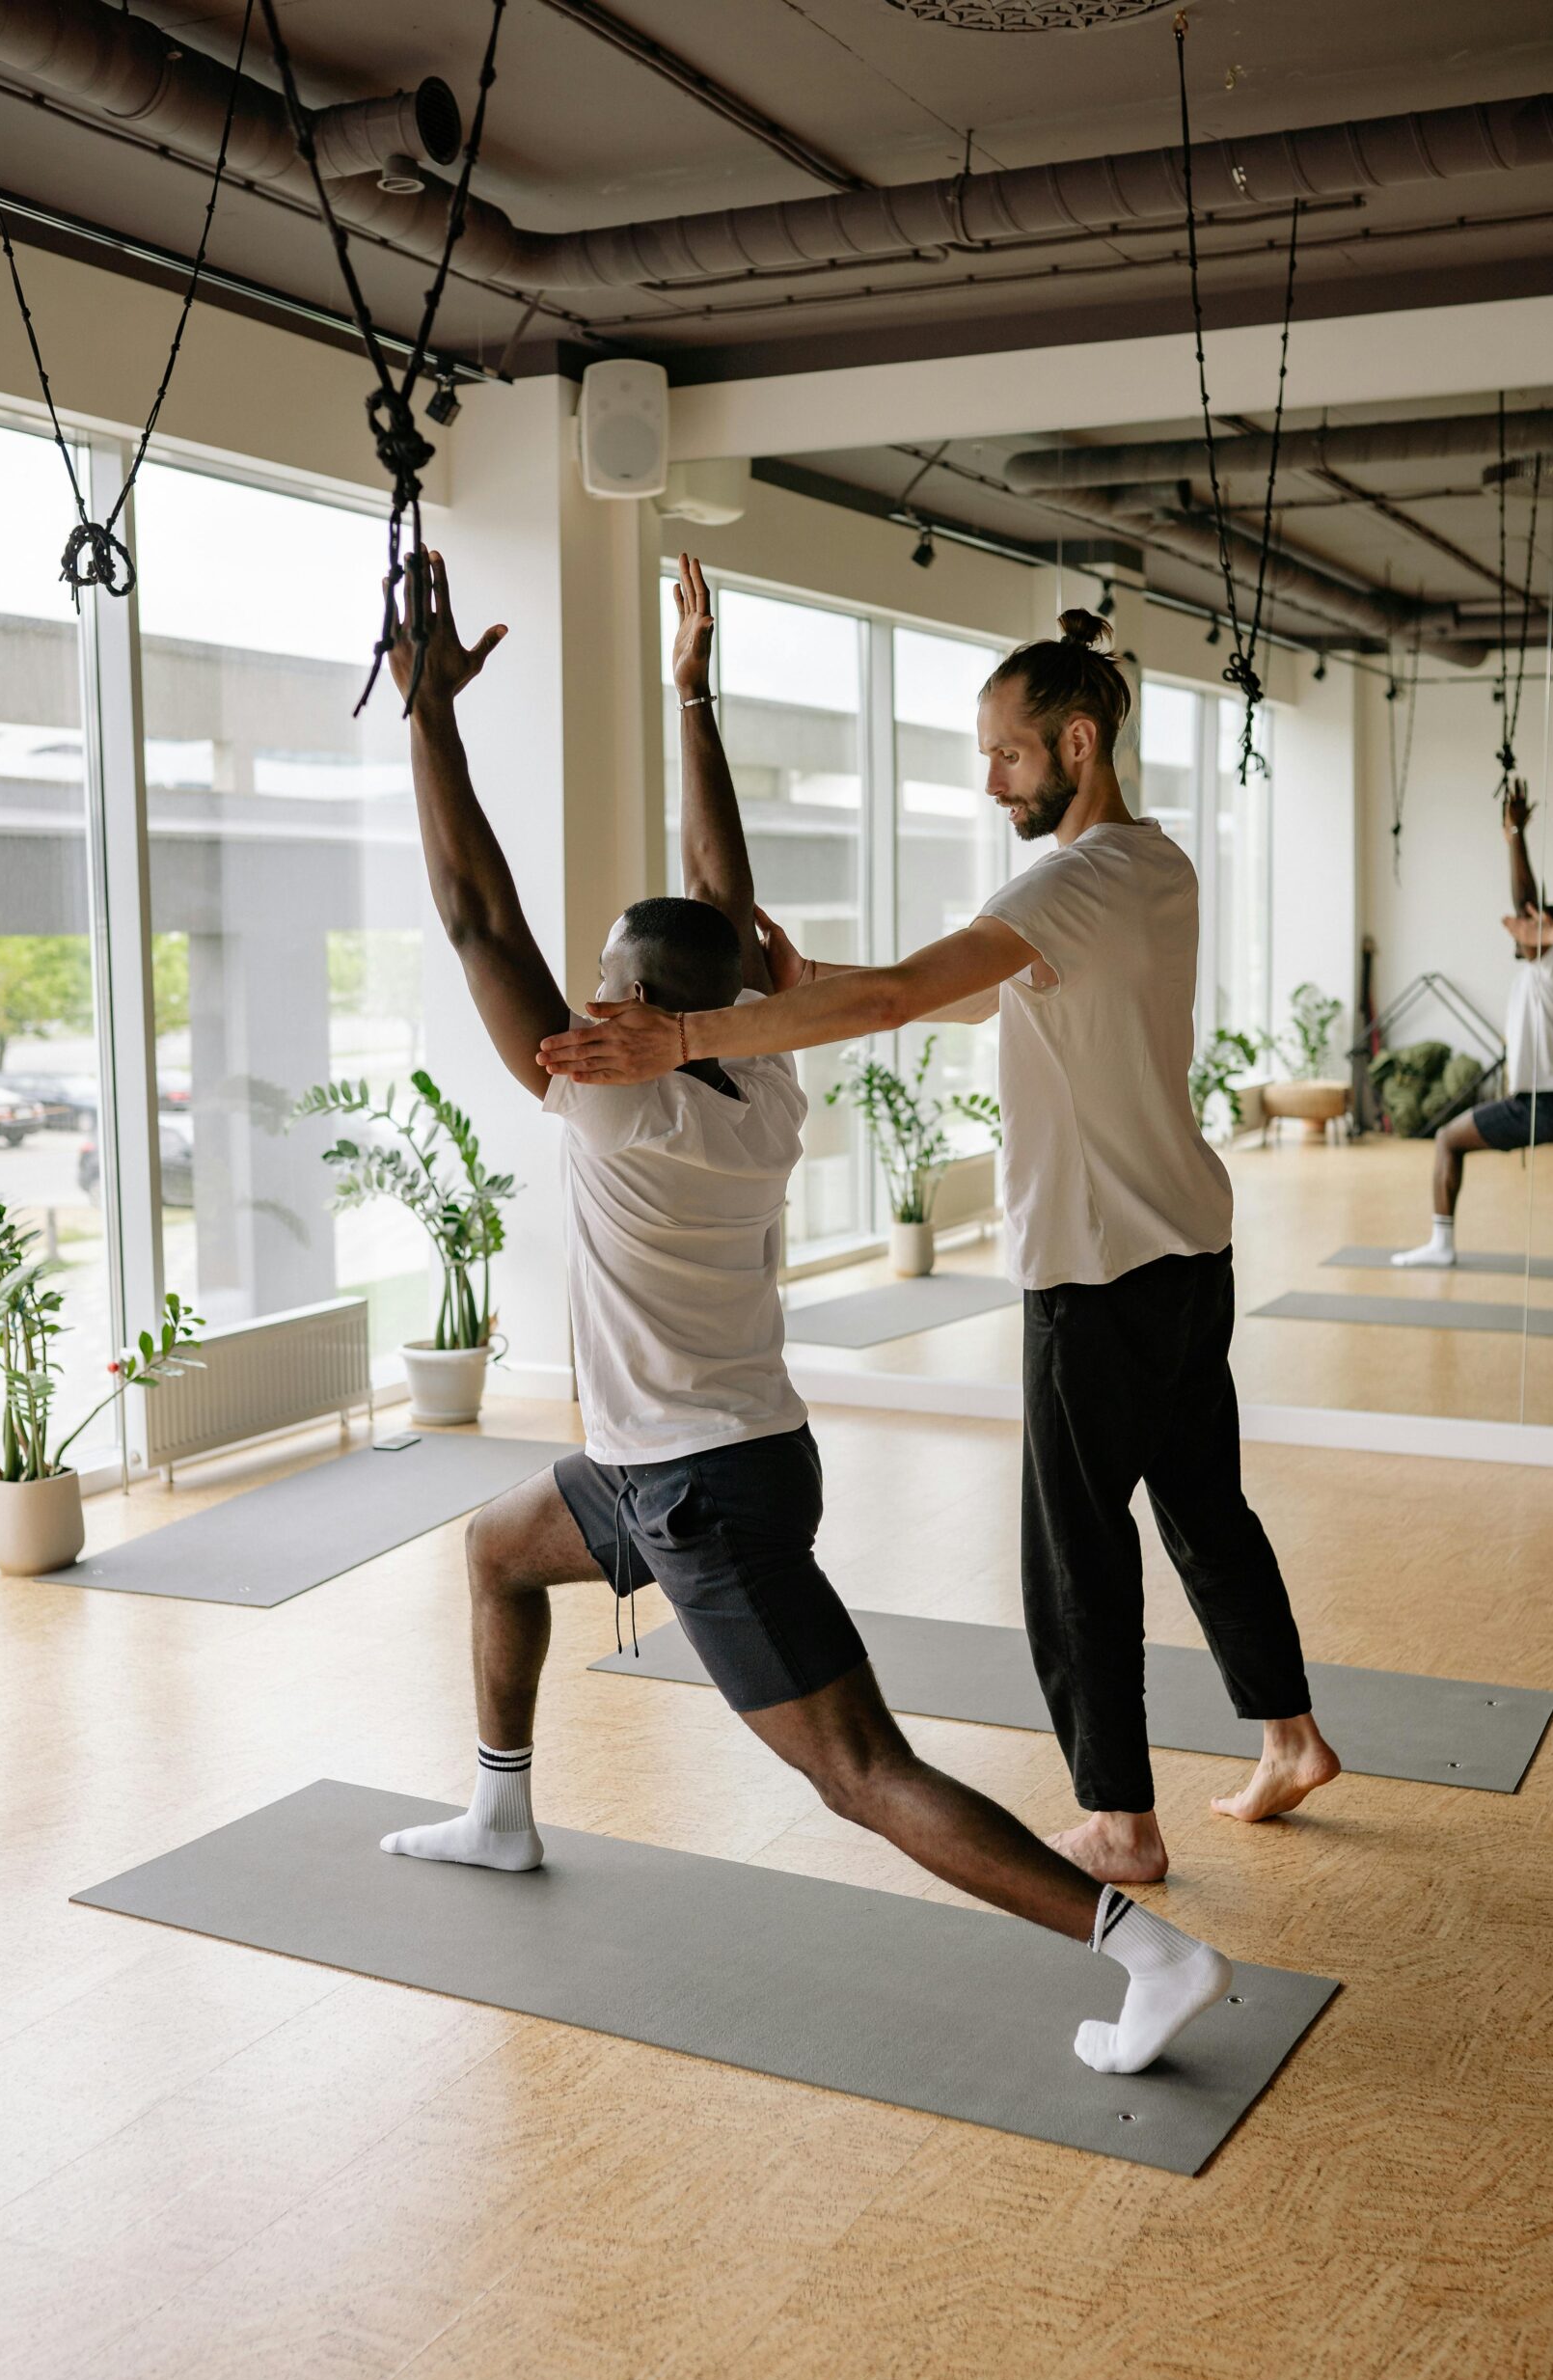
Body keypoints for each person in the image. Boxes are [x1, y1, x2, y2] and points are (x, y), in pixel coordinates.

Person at [379, 550, 1233, 2077]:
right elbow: (725, 903)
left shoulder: (613, 1105)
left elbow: (466, 910)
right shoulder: (757, 1079)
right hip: (705, 1460)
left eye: (606, 989)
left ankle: (1144, 1953)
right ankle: (501, 1811)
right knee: (499, 1548)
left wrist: (428, 717)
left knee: (856, 1769)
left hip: (702, 1490)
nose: (584, 1004)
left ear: (640, 1016)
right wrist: (690, 688)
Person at [541, 606, 1340, 1888]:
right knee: (1200, 1506)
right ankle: (1286, 1735)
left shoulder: (1068, 881)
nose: (986, 782)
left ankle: (1118, 1820)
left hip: (1095, 1273)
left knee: (1070, 1545)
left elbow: (909, 994)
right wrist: (807, 981)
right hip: (1186, 1250)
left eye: (1004, 756)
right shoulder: (1150, 868)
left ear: (1075, 743)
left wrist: (684, 1041)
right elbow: (960, 986)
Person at [1392, 780, 1553, 1267]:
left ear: (1548, 937)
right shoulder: (1549, 973)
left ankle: (1441, 1245)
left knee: (1447, 1139)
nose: (1519, 932)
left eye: (1532, 929)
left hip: (1542, 1104)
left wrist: (1515, 834)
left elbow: (1525, 906)